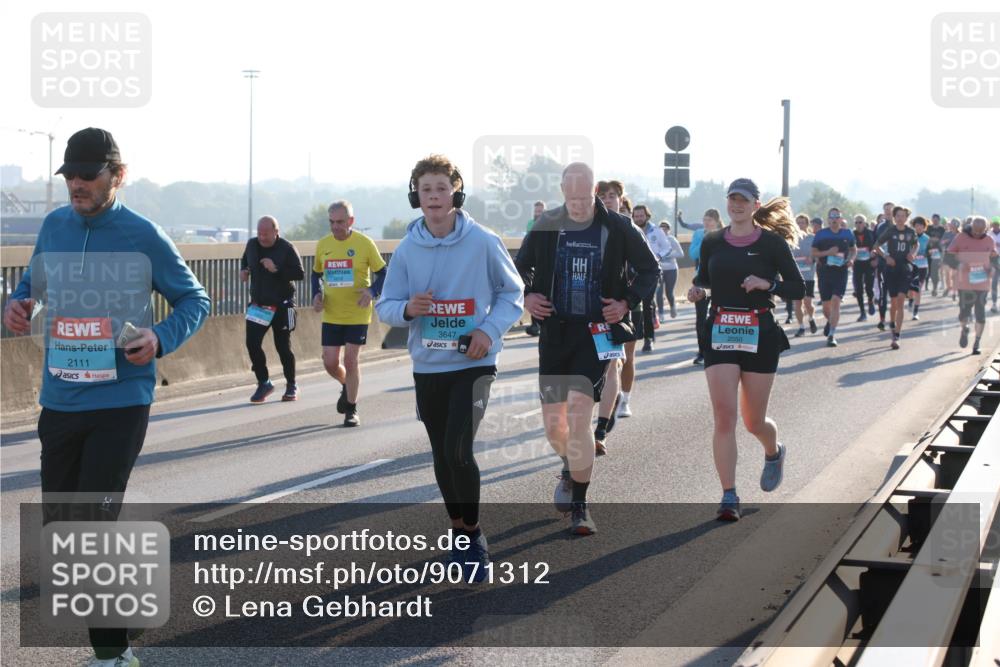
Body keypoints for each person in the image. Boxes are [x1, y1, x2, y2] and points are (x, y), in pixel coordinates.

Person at [2, 127, 211, 667]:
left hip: (120, 402)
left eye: (88, 175)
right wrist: (19, 304)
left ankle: (111, 655)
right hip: (60, 399)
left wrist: (160, 337)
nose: (76, 184)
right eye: (70, 175)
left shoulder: (143, 234)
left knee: (93, 523)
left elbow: (195, 299)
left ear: (117, 176)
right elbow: (31, 288)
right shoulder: (53, 226)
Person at [375, 154, 523, 579]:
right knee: (441, 452)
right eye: (426, 190)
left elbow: (512, 294)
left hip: (474, 362)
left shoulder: (483, 241)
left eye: (442, 188)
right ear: (415, 197)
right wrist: (407, 308)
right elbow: (386, 306)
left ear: (456, 191)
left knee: (460, 448)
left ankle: (473, 536)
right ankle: (458, 531)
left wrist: (487, 333)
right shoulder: (406, 249)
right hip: (429, 365)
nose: (435, 196)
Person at [516, 163, 657, 534]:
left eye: (584, 196)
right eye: (571, 197)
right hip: (556, 331)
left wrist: (626, 302)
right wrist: (529, 295)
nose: (578, 204)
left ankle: (580, 505)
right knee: (554, 425)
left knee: (580, 415)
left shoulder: (618, 226)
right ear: (562, 191)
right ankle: (569, 465)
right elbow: (519, 269)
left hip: (596, 331)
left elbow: (650, 270)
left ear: (595, 190)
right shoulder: (547, 223)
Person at [687, 178, 804, 521]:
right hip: (721, 331)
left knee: (754, 422)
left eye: (743, 200)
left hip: (760, 332)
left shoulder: (772, 244)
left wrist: (767, 284)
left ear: (755, 205)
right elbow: (704, 280)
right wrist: (699, 292)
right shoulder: (712, 242)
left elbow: (798, 287)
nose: (736, 205)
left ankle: (773, 450)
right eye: (732, 199)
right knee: (724, 416)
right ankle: (728, 495)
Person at [312, 200, 387, 426]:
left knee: (351, 359)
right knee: (330, 362)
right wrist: (316, 294)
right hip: (332, 313)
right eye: (331, 222)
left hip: (357, 312)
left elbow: (384, 273)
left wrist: (372, 291)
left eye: (340, 222)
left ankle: (352, 410)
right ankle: (346, 385)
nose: (335, 227)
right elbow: (316, 274)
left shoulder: (364, 244)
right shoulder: (323, 244)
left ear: (351, 221)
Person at [240, 215, 305, 403]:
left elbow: (299, 273)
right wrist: (244, 271)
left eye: (266, 234)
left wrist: (276, 269)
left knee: (282, 346)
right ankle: (264, 382)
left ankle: (291, 384)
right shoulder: (252, 245)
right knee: (252, 343)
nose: (262, 237)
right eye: (259, 233)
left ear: (276, 232)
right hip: (259, 304)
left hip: (283, 305)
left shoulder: (287, 248)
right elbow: (245, 261)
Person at [592, 179, 629, 454]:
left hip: (617, 309)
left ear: (621, 199)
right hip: (581, 312)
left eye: (612, 195)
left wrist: (628, 300)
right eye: (602, 195)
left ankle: (600, 429)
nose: (607, 199)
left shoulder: (627, 230)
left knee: (613, 363)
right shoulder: (582, 227)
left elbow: (648, 268)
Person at [947, 216, 998, 354]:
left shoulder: (989, 240)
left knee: (980, 313)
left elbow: (995, 259)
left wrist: (993, 268)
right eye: (975, 230)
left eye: (981, 231)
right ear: (971, 226)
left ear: (986, 229)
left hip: (982, 282)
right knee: (964, 312)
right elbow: (948, 256)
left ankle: (977, 343)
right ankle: (964, 329)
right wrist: (959, 264)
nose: (977, 233)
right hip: (965, 283)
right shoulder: (961, 237)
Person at [874, 206, 919, 350]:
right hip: (891, 268)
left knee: (900, 300)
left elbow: (916, 244)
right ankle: (892, 322)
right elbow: (876, 246)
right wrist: (886, 256)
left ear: (907, 218)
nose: (900, 218)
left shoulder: (910, 232)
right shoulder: (890, 231)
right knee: (893, 301)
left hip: (905, 268)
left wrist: (913, 253)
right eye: (898, 216)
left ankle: (897, 335)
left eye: (903, 216)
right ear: (894, 217)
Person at [811, 208, 856, 347]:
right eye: (832, 217)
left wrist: (852, 259)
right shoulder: (821, 234)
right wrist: (828, 252)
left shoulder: (847, 233)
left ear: (841, 219)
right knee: (826, 306)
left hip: (840, 271)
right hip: (824, 271)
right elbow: (814, 253)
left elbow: (853, 249)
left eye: (837, 217)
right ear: (828, 219)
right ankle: (830, 322)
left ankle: (831, 334)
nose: (834, 219)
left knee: (836, 300)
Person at [689, 209, 724, 364]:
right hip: (701, 278)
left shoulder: (724, 235)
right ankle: (702, 352)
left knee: (717, 315)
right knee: (700, 318)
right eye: (704, 220)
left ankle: (717, 348)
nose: (706, 223)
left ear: (716, 221)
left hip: (719, 279)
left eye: (710, 220)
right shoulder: (698, 234)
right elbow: (693, 254)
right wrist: (705, 239)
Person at [791, 214, 817, 337]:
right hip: (795, 275)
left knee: (807, 302)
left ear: (807, 224)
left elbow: (817, 253)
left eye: (802, 222)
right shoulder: (791, 238)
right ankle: (801, 326)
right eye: (798, 223)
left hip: (808, 275)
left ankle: (811, 318)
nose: (800, 225)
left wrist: (812, 258)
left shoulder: (812, 238)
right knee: (797, 303)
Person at [524, 201, 546, 336]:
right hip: (535, 261)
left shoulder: (550, 223)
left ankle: (539, 323)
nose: (538, 213)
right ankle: (535, 323)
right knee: (534, 290)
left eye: (541, 210)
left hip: (545, 261)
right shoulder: (530, 224)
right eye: (537, 210)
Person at [656, 220, 684, 320]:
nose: (663, 229)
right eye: (661, 227)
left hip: (671, 269)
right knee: (658, 292)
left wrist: (668, 255)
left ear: (669, 229)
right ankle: (661, 314)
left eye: (666, 227)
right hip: (659, 269)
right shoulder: (656, 239)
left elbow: (681, 254)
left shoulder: (672, 239)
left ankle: (672, 306)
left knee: (669, 292)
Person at [874, 202, 895, 329]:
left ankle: (893, 319)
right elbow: (875, 244)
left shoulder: (900, 227)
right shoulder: (880, 227)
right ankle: (882, 320)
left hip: (897, 264)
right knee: (882, 293)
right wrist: (876, 254)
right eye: (886, 209)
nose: (888, 212)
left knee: (895, 295)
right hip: (883, 263)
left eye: (890, 209)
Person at [852, 214, 877, 321]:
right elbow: (847, 248)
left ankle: (871, 301)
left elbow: (877, 246)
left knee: (869, 287)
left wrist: (875, 256)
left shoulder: (871, 234)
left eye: (860, 222)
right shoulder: (852, 235)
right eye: (856, 222)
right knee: (858, 289)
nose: (858, 224)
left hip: (869, 264)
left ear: (865, 223)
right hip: (857, 264)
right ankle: (862, 312)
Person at [907, 217, 930, 320]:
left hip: (922, 266)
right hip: (911, 266)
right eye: (916, 225)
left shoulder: (927, 238)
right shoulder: (910, 236)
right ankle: (910, 300)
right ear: (914, 226)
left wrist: (926, 254)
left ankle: (915, 312)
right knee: (910, 290)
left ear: (924, 227)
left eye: (921, 225)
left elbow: (930, 252)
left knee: (918, 289)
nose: (918, 227)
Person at [926, 213, 946, 296]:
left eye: (936, 220)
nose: (935, 221)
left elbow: (943, 239)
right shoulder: (929, 228)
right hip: (929, 251)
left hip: (938, 251)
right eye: (933, 220)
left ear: (938, 220)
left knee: (935, 270)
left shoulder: (942, 229)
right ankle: (932, 285)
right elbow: (926, 238)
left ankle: (934, 288)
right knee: (930, 271)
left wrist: (938, 241)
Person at [941, 219, 961, 299]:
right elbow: (940, 243)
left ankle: (954, 292)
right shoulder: (946, 233)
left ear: (957, 226)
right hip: (947, 255)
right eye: (951, 225)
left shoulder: (960, 235)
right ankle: (948, 287)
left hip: (956, 256)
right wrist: (945, 241)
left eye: (954, 225)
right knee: (947, 274)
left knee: (954, 275)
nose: (952, 226)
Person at [989, 218, 1000, 313]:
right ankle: (994, 303)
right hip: (994, 261)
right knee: (994, 283)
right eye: (994, 224)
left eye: (997, 224)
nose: (996, 226)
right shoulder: (989, 234)